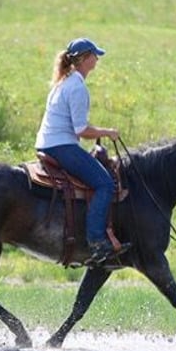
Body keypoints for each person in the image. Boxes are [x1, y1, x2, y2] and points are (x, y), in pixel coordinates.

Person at [35, 37, 130, 265]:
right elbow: (81, 130)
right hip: (61, 146)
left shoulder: (63, 82)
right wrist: (108, 132)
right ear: (85, 59)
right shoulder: (77, 87)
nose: (97, 59)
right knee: (105, 184)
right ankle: (96, 242)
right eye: (94, 55)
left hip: (49, 143)